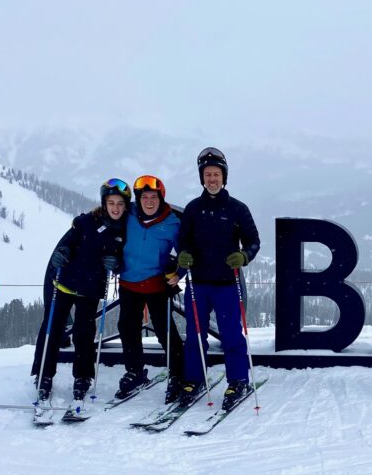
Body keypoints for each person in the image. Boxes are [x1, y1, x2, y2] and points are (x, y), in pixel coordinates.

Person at [32, 178, 129, 416]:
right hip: (65, 282)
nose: (115, 208)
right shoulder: (85, 222)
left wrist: (116, 265)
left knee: (84, 334)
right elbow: (66, 244)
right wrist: (62, 253)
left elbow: (124, 262)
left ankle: (83, 377)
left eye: (119, 203)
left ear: (125, 206)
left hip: (90, 289)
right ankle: (44, 375)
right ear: (104, 204)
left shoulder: (124, 231)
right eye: (111, 203)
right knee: (52, 329)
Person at [176, 147, 260, 410]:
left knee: (231, 335)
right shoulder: (193, 209)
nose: (212, 179)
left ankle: (238, 380)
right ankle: (194, 379)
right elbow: (182, 241)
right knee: (195, 335)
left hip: (226, 284)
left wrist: (244, 256)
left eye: (216, 174)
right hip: (198, 283)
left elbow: (254, 241)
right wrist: (183, 255)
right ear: (202, 178)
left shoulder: (237, 209)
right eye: (207, 174)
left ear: (224, 177)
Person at [116, 174, 185, 402]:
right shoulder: (128, 216)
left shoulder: (173, 223)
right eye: (144, 197)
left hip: (157, 285)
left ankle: (178, 374)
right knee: (128, 328)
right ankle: (135, 372)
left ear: (161, 198)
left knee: (166, 332)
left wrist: (179, 273)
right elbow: (106, 225)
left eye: (153, 197)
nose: (148, 201)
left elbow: (185, 254)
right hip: (129, 283)